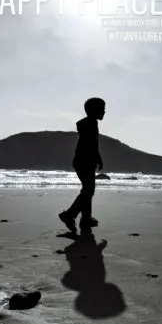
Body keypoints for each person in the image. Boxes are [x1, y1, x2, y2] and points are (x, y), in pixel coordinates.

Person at [59, 97, 105, 232]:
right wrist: (96, 158)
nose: (104, 112)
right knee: (88, 190)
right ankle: (69, 215)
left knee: (88, 190)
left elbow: (91, 143)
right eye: (102, 110)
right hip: (85, 161)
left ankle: (86, 219)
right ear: (94, 111)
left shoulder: (89, 122)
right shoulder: (91, 123)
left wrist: (98, 158)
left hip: (83, 161)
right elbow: (90, 143)